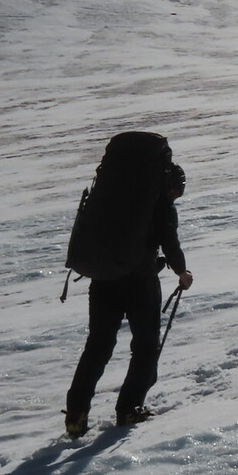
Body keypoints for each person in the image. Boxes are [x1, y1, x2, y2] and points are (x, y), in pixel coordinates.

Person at [64, 146, 193, 437]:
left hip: (103, 279)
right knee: (145, 347)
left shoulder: (114, 198)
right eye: (176, 191)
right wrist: (182, 272)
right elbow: (169, 242)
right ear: (168, 184)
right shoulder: (159, 205)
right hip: (140, 282)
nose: (175, 196)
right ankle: (129, 409)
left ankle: (76, 415)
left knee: (97, 347)